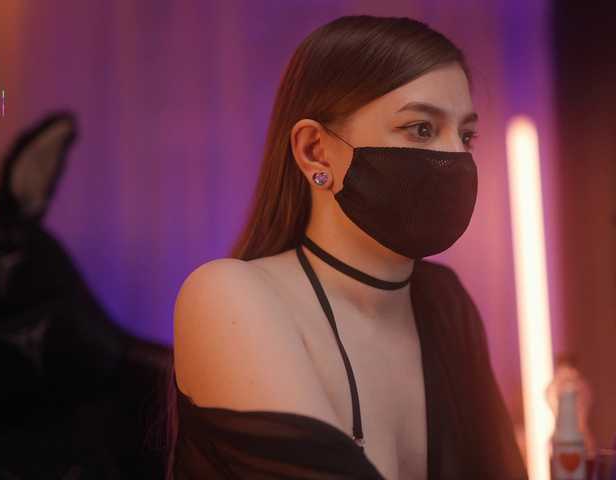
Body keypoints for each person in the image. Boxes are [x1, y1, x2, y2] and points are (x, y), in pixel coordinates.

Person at [166, 14, 528, 480]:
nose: (456, 157)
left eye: (466, 135)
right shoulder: (227, 295)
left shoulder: (444, 302)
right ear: (315, 151)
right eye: (421, 128)